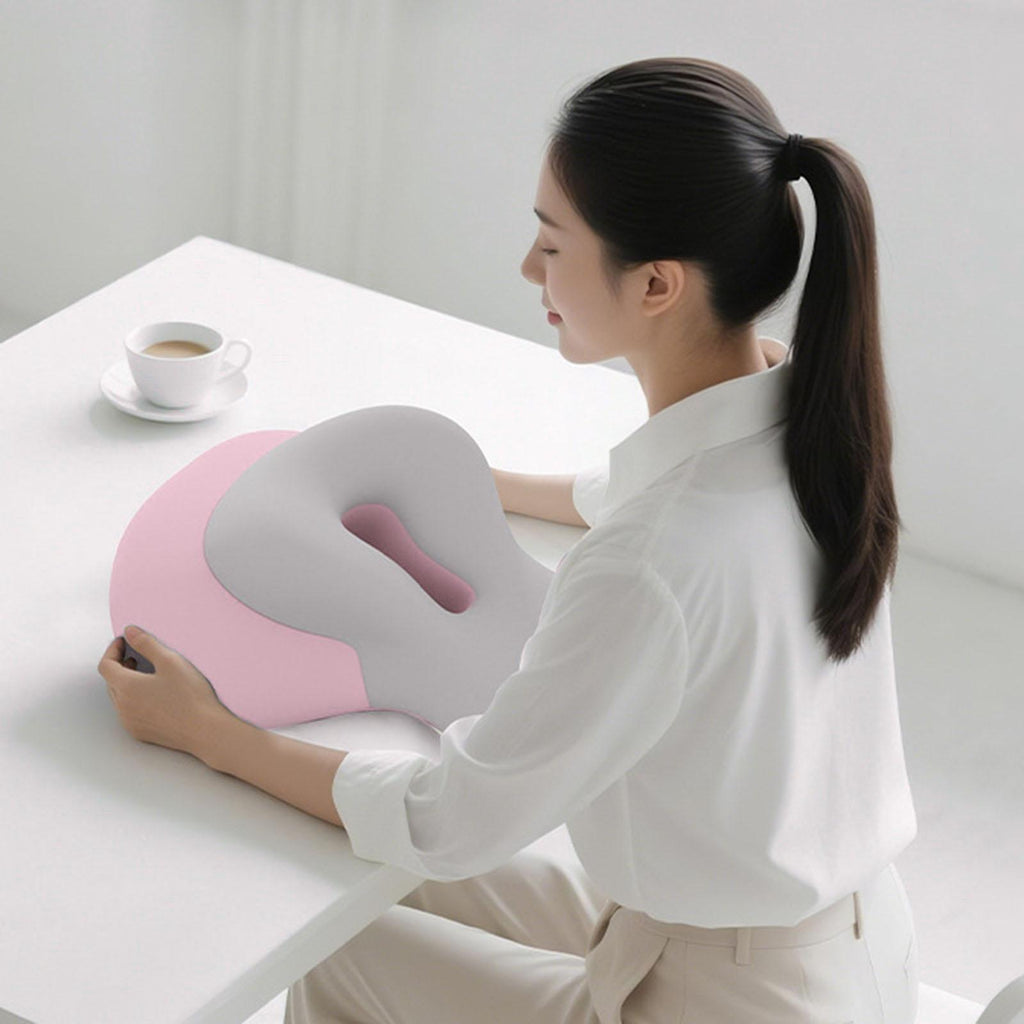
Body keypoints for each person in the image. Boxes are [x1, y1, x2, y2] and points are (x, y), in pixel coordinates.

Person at [98, 56, 920, 1023]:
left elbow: (448, 820)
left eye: (553, 243)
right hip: (827, 943)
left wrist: (209, 734)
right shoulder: (810, 430)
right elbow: (635, 490)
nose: (531, 269)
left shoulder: (648, 565)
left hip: (726, 998)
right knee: (365, 875)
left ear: (656, 284)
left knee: (339, 947)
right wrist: (463, 483)